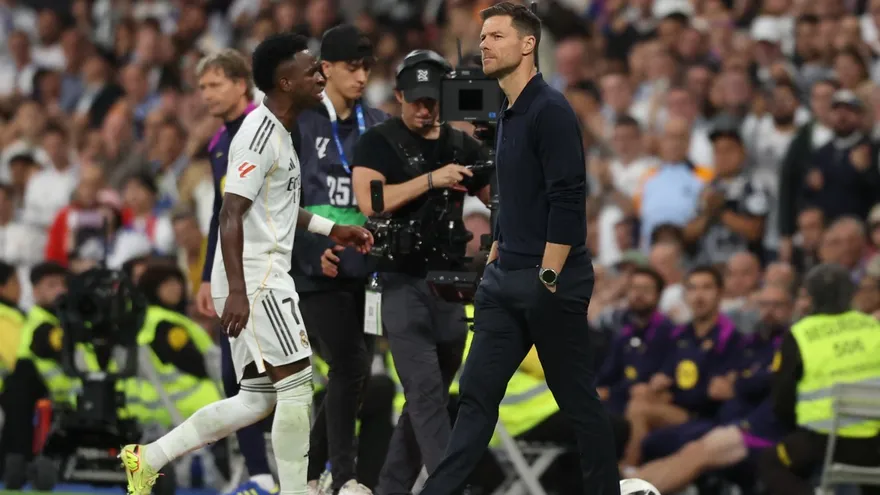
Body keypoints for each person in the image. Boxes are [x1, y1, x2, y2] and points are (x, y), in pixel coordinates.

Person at [119, 33, 373, 495]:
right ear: (284, 80)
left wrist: (331, 229)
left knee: (257, 400)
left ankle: (148, 457)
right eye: (310, 69)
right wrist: (237, 290)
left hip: (260, 276)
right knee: (298, 386)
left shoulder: (282, 129)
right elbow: (230, 211)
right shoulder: (257, 134)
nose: (320, 76)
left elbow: (278, 206)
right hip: (255, 280)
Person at [419, 3, 619, 493]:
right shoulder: (508, 112)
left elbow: (568, 200)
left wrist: (546, 278)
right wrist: (495, 256)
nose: (483, 44)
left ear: (528, 44)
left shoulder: (550, 110)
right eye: (482, 36)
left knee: (576, 402)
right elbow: (513, 194)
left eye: (496, 36)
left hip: (548, 280)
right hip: (504, 279)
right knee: (475, 399)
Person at [350, 48, 490, 494]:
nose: (424, 108)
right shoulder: (378, 141)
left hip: (451, 284)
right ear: (398, 95)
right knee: (426, 392)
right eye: (415, 100)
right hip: (398, 280)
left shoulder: (461, 145)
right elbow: (370, 202)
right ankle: (453, 487)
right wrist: (433, 179)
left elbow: (498, 198)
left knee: (427, 400)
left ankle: (393, 489)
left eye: (432, 100)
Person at [292, 24, 387, 495]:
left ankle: (307, 476)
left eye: (367, 67)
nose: (362, 76)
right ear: (325, 69)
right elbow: (279, 201)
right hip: (316, 270)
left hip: (366, 272)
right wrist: (313, 249)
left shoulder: (379, 122)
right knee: (349, 365)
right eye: (352, 67)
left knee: (353, 377)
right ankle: (345, 478)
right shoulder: (300, 122)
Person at [190, 49, 278, 495]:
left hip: (271, 269)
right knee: (234, 377)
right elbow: (216, 213)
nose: (206, 94)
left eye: (215, 84)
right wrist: (207, 276)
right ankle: (261, 477)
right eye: (202, 87)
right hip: (232, 274)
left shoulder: (264, 128)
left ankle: (309, 468)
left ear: (242, 83)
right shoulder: (217, 143)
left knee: (283, 375)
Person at [626, 283, 793, 493]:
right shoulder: (751, 343)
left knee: (696, 452)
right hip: (730, 423)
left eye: (777, 305)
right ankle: (626, 482)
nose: (769, 311)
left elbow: (767, 382)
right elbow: (719, 385)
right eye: (764, 304)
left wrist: (739, 382)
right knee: (688, 449)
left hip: (757, 429)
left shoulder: (790, 343)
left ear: (790, 308)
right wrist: (744, 381)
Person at [759, 263, 880, 495]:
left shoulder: (800, 334)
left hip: (821, 444)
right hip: (874, 445)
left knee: (770, 462)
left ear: (811, 296)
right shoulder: (874, 328)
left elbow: (782, 401)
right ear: (851, 294)